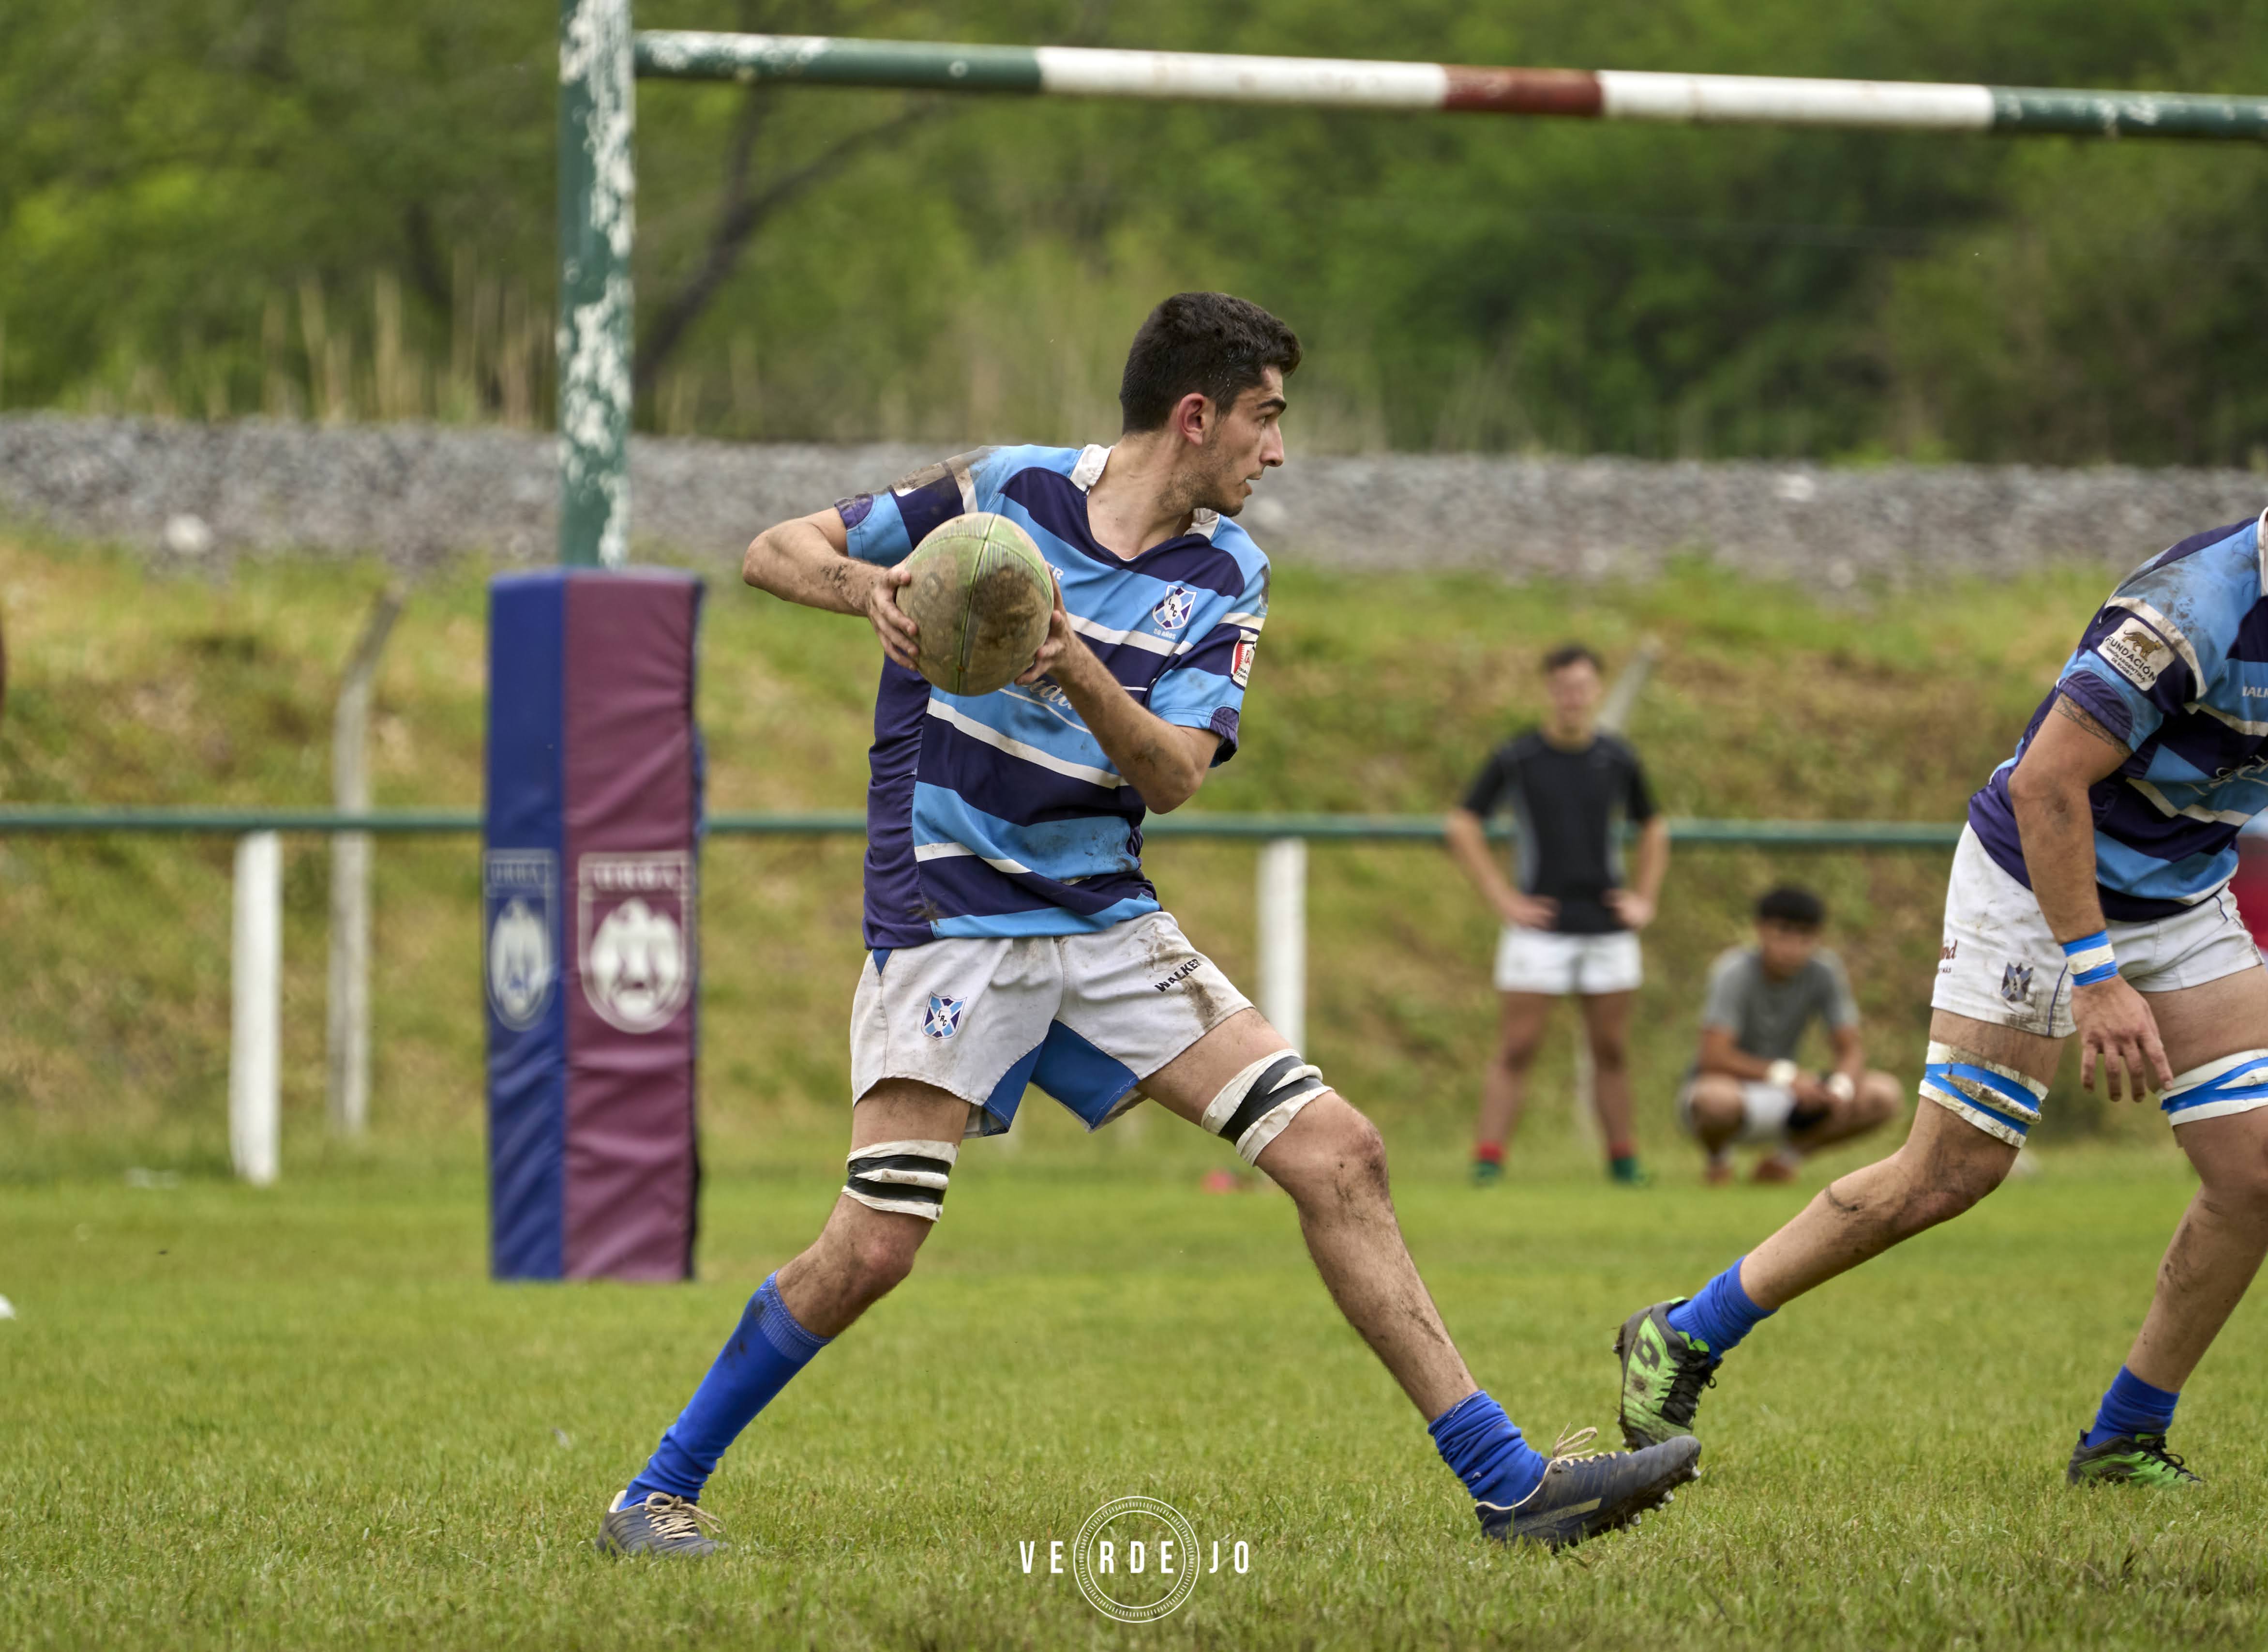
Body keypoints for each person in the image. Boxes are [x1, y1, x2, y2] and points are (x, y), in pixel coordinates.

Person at [595, 293, 1700, 1558]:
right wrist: (872, 591)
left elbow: (1172, 771)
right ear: (1196, 414)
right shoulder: (999, 494)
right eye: (1264, 419)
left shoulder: (1224, 572)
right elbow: (771, 548)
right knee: (874, 1242)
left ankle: (1509, 1485)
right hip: (951, 911)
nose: (1274, 451)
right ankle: (651, 1494)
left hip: (1104, 918)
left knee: (1336, 1152)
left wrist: (1071, 662)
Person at [1612, 508, 2268, 1489]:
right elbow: (2049, 783)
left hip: (2181, 891)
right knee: (1952, 1170)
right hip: (2040, 873)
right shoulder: (2193, 606)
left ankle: (2124, 1434)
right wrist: (2095, 975)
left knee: (2256, 1170)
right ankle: (1684, 1333)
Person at [1446, 645, 1669, 1185]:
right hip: (1538, 928)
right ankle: (1488, 1160)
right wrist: (1504, 898)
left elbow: (1654, 826)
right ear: (1549, 689)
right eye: (1564, 686)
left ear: (1596, 690)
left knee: (1610, 1049)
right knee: (1517, 1046)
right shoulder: (1518, 757)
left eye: (1583, 686)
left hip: (1606, 926)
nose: (1573, 696)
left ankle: (1623, 1162)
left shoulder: (1617, 758)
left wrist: (1644, 897)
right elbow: (1462, 822)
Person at [1677, 886, 1901, 1185]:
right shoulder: (1733, 971)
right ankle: (1719, 1161)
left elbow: (1851, 1049)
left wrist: (1840, 1087)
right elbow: (1713, 1057)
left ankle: (1784, 1162)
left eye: (1805, 936)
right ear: (1760, 930)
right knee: (1716, 1100)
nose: (1793, 946)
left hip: (1789, 1097)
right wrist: (1788, 1077)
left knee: (1884, 1093)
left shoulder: (1825, 971)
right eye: (1783, 933)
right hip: (1733, 1093)